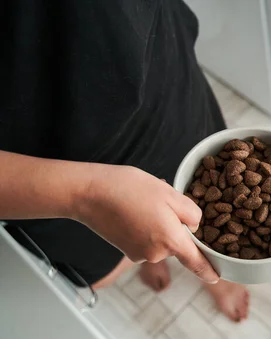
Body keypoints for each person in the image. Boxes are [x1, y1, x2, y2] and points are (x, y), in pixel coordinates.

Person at [0, 0, 250, 322]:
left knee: (215, 206)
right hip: (44, 161)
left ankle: (217, 277)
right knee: (104, 270)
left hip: (154, 64)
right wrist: (87, 194)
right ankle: (152, 254)